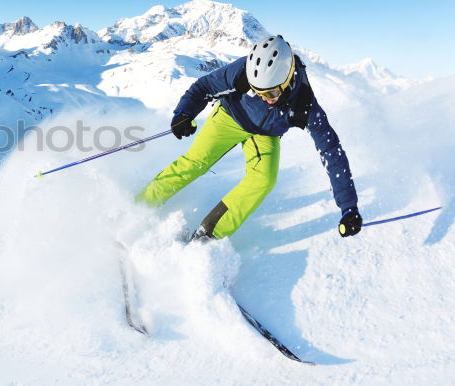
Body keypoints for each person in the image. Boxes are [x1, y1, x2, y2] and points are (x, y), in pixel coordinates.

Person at [136, 35, 362, 240]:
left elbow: (331, 151)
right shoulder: (243, 70)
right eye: (257, 91)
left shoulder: (305, 104)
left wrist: (348, 207)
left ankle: (209, 235)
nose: (264, 98)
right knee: (196, 162)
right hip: (229, 118)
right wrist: (184, 113)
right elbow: (204, 86)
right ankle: (140, 206)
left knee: (263, 180)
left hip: (265, 135)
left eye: (271, 93)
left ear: (286, 81)